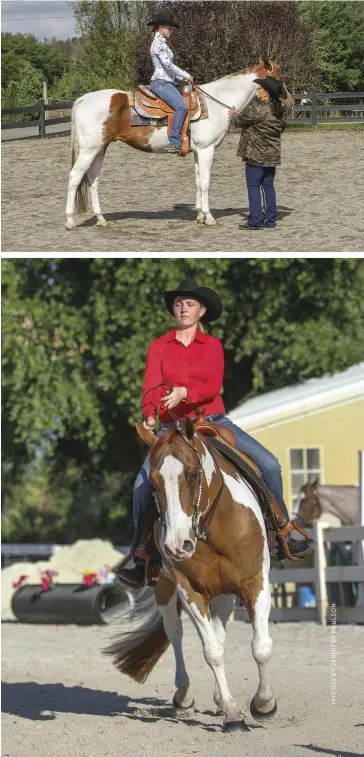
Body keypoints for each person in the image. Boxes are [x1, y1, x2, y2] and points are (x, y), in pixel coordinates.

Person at [118, 278, 314, 586]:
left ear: (202, 311)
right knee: (142, 486)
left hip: (212, 421)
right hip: (171, 428)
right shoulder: (159, 346)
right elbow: (151, 386)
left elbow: (213, 385)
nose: (183, 309)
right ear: (173, 309)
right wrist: (148, 415)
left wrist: (185, 393)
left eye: (190, 304)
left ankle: (282, 531)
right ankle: (142, 553)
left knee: (269, 464)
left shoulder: (212, 346)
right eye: (179, 304)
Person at [230, 76, 292, 230]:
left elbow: (239, 121)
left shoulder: (257, 108)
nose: (258, 91)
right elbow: (280, 128)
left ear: (266, 93)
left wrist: (233, 114)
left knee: (253, 186)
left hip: (255, 154)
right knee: (268, 186)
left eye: (260, 88)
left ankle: (255, 221)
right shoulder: (282, 110)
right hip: (272, 154)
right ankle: (270, 220)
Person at [148, 12, 193, 154]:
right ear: (160, 27)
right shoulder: (158, 44)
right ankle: (174, 141)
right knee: (181, 107)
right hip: (161, 83)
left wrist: (181, 79)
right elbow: (168, 65)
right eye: (169, 28)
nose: (171, 31)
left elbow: (168, 70)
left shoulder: (161, 43)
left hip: (166, 81)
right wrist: (186, 75)